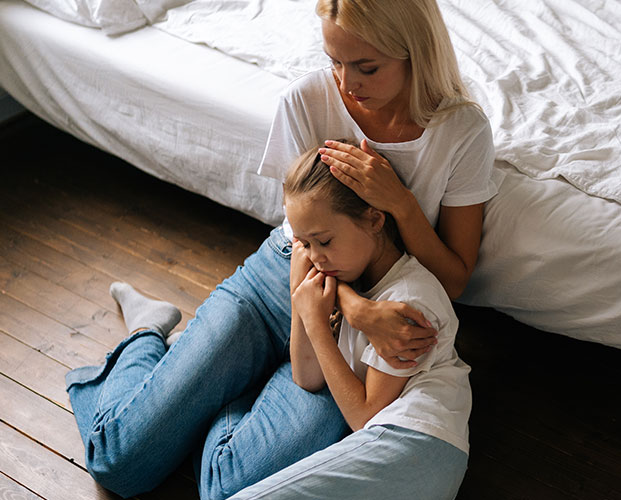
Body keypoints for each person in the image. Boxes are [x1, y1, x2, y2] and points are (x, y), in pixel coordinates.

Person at [65, 0, 502, 498]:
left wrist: (401, 204)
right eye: (335, 61)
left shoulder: (462, 131)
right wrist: (354, 307)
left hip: (350, 341)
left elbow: (454, 279)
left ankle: (228, 382)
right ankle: (147, 332)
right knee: (118, 464)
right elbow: (303, 237)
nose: (346, 84)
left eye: (367, 67)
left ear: (415, 53)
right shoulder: (307, 98)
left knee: (229, 484)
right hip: (280, 283)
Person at [226, 147, 471, 499]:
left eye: (324, 241)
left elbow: (364, 416)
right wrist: (301, 299)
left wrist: (315, 322)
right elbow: (307, 378)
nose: (314, 257)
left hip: (415, 440)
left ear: (374, 220)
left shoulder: (409, 302)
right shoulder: (351, 281)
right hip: (402, 448)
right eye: (303, 243)